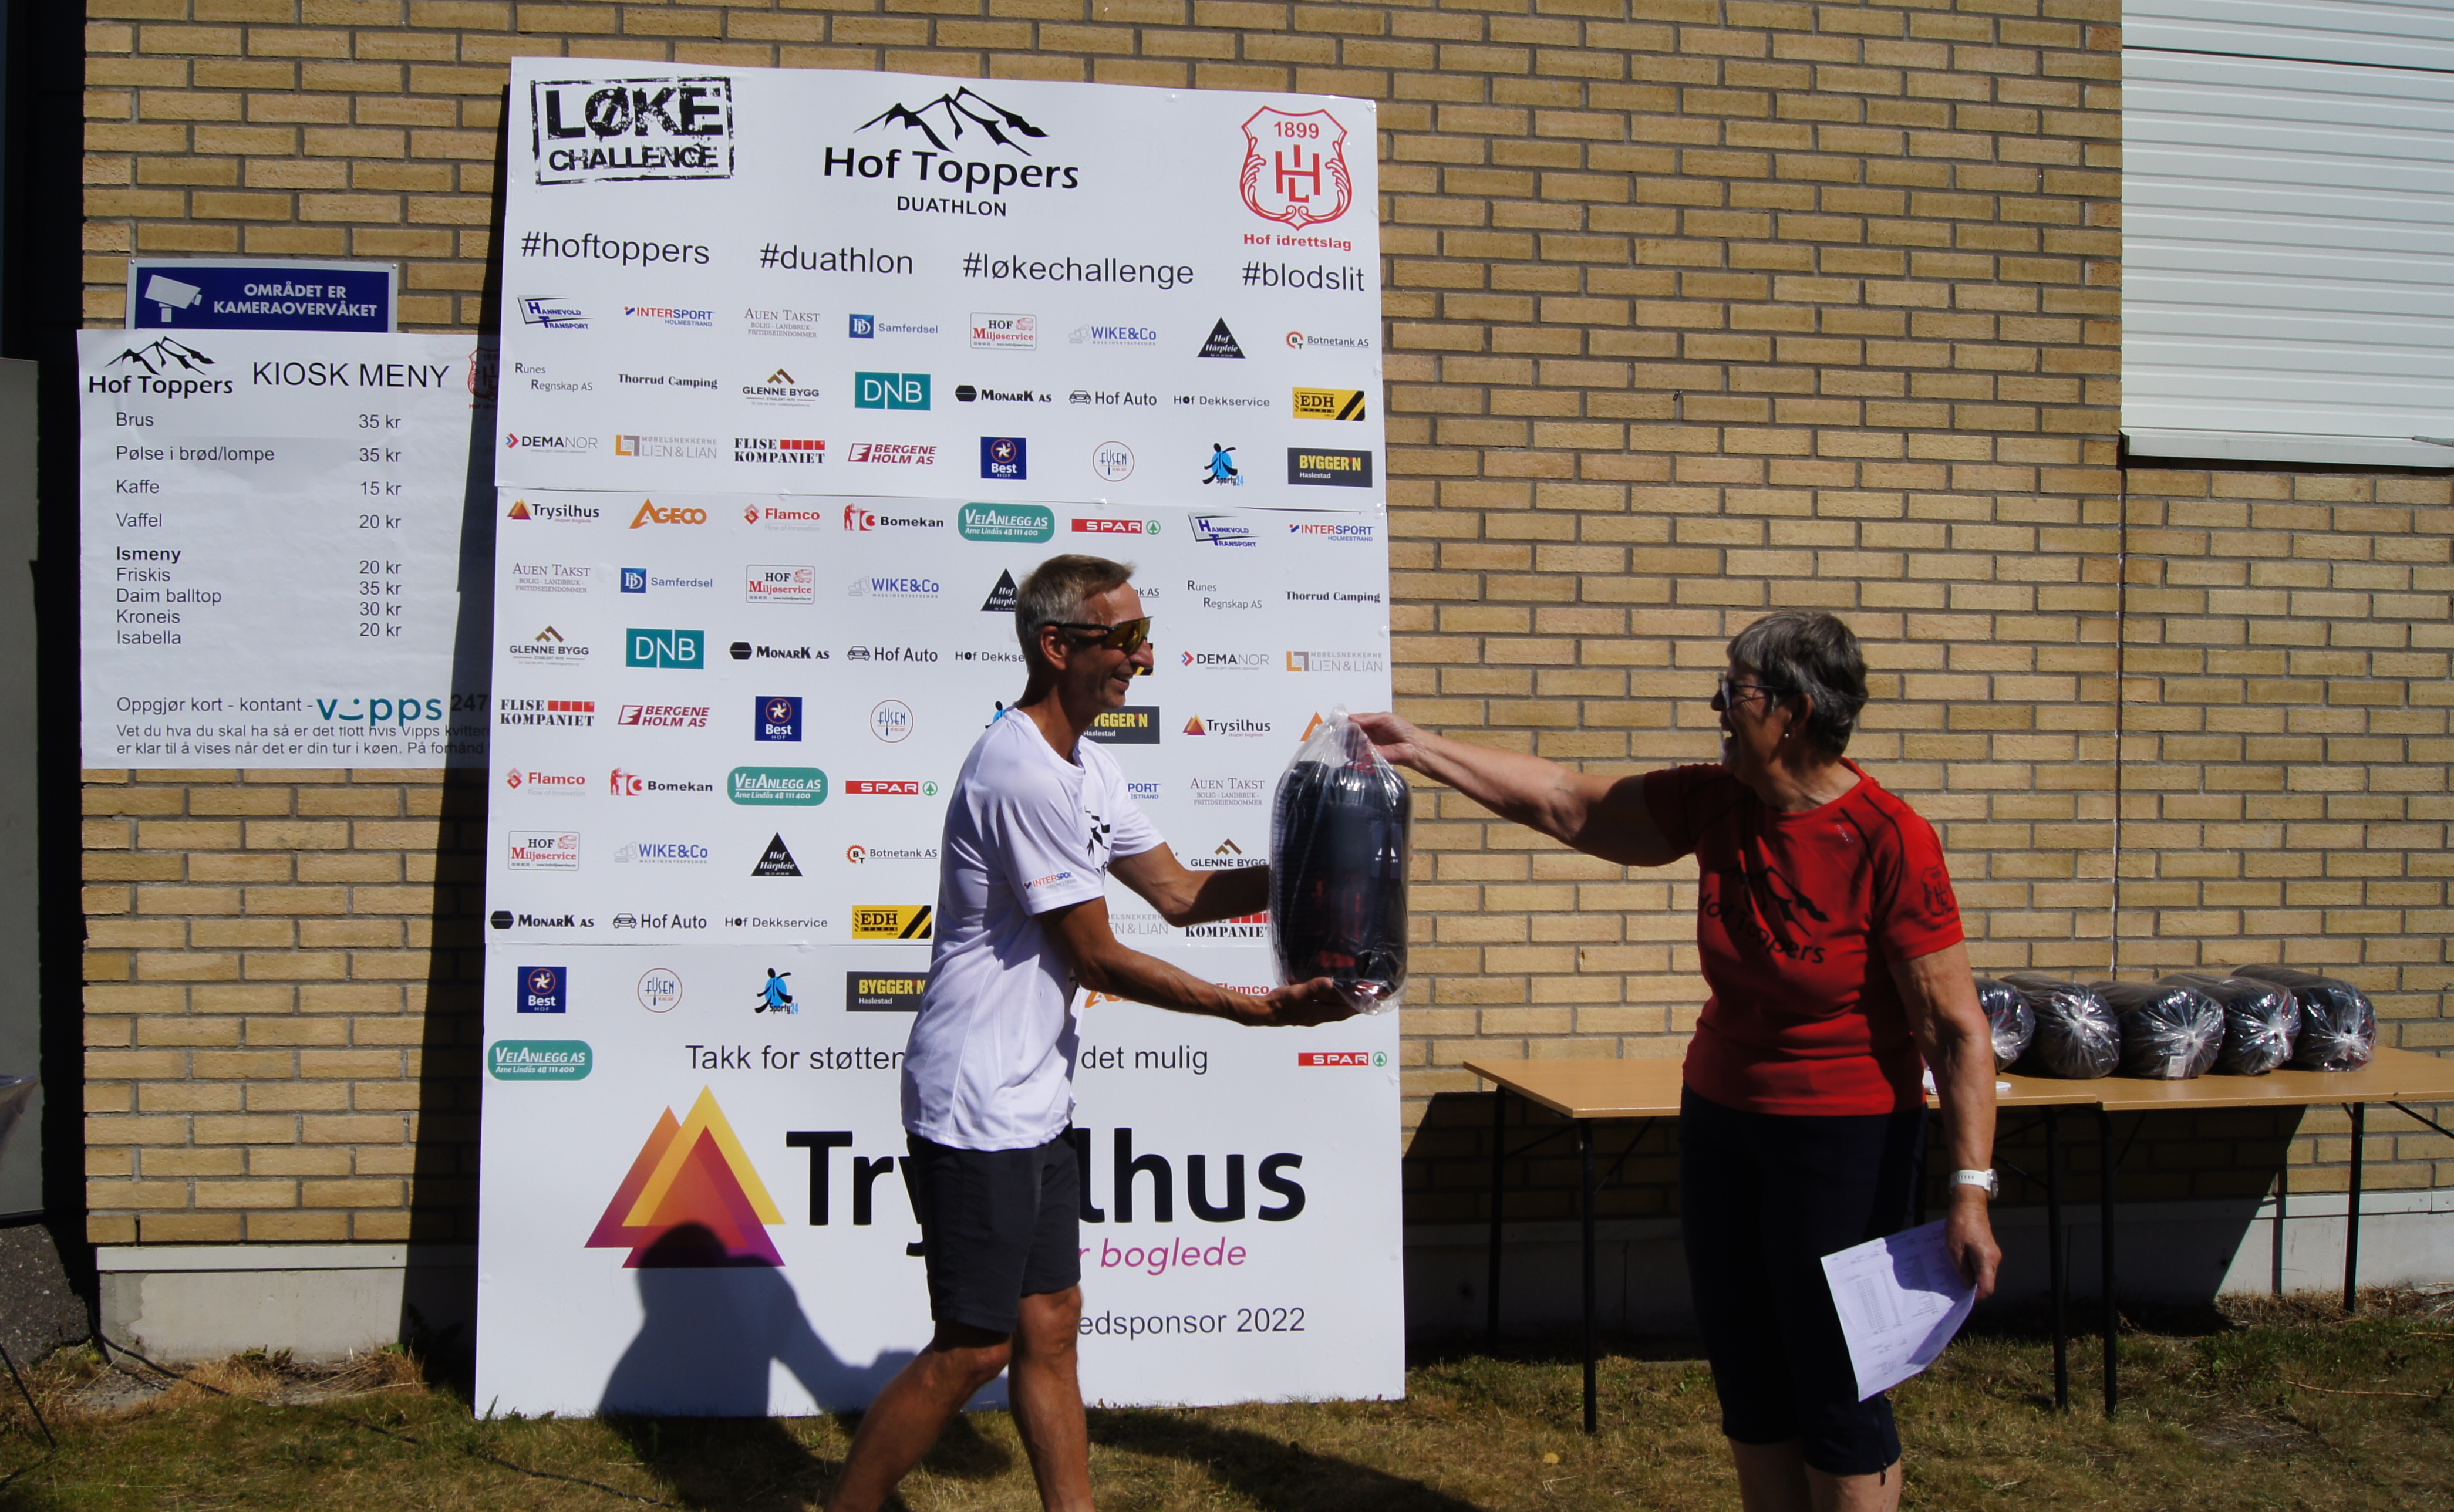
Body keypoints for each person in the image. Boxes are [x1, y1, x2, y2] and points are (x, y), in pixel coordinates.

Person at [1354, 610, 2001, 1512]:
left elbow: (1956, 1029)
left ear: (1794, 712)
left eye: (1734, 691)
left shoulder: (1889, 838)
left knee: (1837, 1382)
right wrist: (1419, 747)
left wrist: (1971, 1188)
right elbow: (1567, 800)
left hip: (1844, 1138)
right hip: (1724, 1123)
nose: (1717, 708)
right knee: (1747, 1367)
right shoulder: (1718, 800)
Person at [827, 554, 1355, 1512]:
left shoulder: (1090, 766)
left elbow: (1181, 893)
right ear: (1057, 646)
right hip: (975, 1101)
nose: (1142, 658)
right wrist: (1253, 1009)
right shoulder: (1018, 771)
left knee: (1053, 1323)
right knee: (973, 1349)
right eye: (1125, 639)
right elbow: (1099, 958)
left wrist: (1318, 871)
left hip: (1035, 1097)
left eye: (1145, 638)